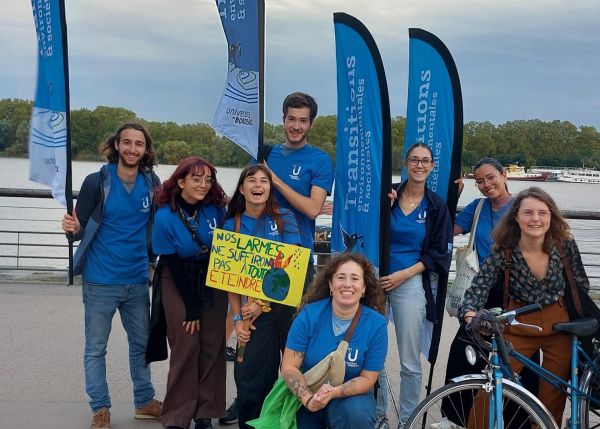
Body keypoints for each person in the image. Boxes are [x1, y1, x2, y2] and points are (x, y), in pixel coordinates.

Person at [460, 187, 591, 427]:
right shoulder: (504, 249)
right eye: (528, 212)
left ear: (551, 216)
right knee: (491, 388)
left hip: (559, 325)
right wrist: (470, 315)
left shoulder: (564, 245)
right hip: (517, 325)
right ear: (516, 217)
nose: (535, 219)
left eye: (542, 212)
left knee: (552, 397)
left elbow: (581, 284)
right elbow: (477, 289)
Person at [61, 123, 162, 429]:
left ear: (145, 150)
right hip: (100, 280)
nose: (132, 149)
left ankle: (144, 401)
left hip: (135, 280)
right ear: (116, 145)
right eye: (127, 142)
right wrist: (71, 228)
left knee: (141, 345)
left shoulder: (152, 182)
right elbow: (78, 231)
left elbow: (156, 227)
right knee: (95, 348)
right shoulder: (97, 182)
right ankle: (100, 408)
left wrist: (153, 263)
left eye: (139, 144)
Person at [147, 157, 228, 429]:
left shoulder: (216, 210)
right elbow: (169, 261)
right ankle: (177, 414)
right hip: (177, 276)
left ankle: (205, 411)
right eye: (196, 179)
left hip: (213, 276)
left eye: (208, 180)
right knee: (186, 342)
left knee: (212, 344)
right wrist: (191, 306)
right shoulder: (165, 216)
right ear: (181, 181)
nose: (203, 185)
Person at [378, 143, 453, 427]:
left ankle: (408, 419)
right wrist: (383, 206)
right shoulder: (389, 194)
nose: (419, 165)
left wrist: (405, 274)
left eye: (425, 161)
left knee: (410, 361)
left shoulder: (435, 206)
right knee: (374, 355)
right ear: (405, 163)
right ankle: (378, 414)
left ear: (432, 166)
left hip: (410, 282)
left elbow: (439, 253)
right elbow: (368, 227)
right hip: (377, 281)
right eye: (414, 160)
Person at [223, 164, 302, 429]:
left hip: (286, 308)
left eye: (264, 181)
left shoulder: (285, 218)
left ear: (270, 188)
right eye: (251, 180)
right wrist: (236, 320)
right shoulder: (230, 224)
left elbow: (291, 268)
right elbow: (229, 280)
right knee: (250, 377)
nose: (258, 185)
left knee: (297, 372)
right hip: (251, 314)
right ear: (242, 188)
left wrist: (262, 302)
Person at [281, 252, 388, 428]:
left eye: (355, 278)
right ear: (331, 285)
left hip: (351, 399)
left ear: (363, 288)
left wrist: (334, 392)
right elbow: (289, 366)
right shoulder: (309, 315)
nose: (347, 284)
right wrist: (308, 398)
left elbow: (368, 378)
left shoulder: (376, 325)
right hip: (308, 394)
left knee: (356, 414)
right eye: (340, 277)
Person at [265, 91, 334, 290]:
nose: (296, 126)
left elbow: (313, 209)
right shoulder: (264, 154)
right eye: (291, 119)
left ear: (310, 123)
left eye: (303, 121)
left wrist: (276, 181)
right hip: (261, 252)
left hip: (297, 254)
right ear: (283, 120)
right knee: (253, 320)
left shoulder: (319, 160)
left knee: (295, 320)